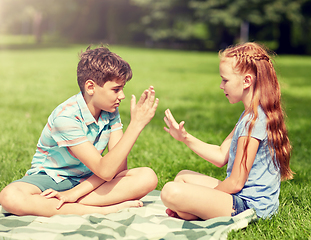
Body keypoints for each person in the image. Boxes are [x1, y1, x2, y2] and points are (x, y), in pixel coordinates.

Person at [0, 46, 159, 217]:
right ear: (91, 87)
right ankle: (103, 209)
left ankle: (64, 204)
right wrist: (135, 125)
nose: (122, 96)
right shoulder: (66, 118)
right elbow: (105, 171)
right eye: (116, 89)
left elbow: (116, 169)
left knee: (147, 177)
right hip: (54, 179)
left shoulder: (110, 111)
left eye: (122, 89)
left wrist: (74, 194)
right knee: (10, 196)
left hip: (90, 181)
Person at [160, 42, 293, 220]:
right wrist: (184, 137)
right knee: (182, 177)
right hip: (239, 198)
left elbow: (236, 182)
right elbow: (221, 155)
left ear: (247, 81)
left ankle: (192, 212)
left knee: (171, 191)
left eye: (225, 80)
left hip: (250, 207)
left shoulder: (254, 122)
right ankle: (190, 212)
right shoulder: (250, 115)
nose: (221, 86)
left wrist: (204, 198)